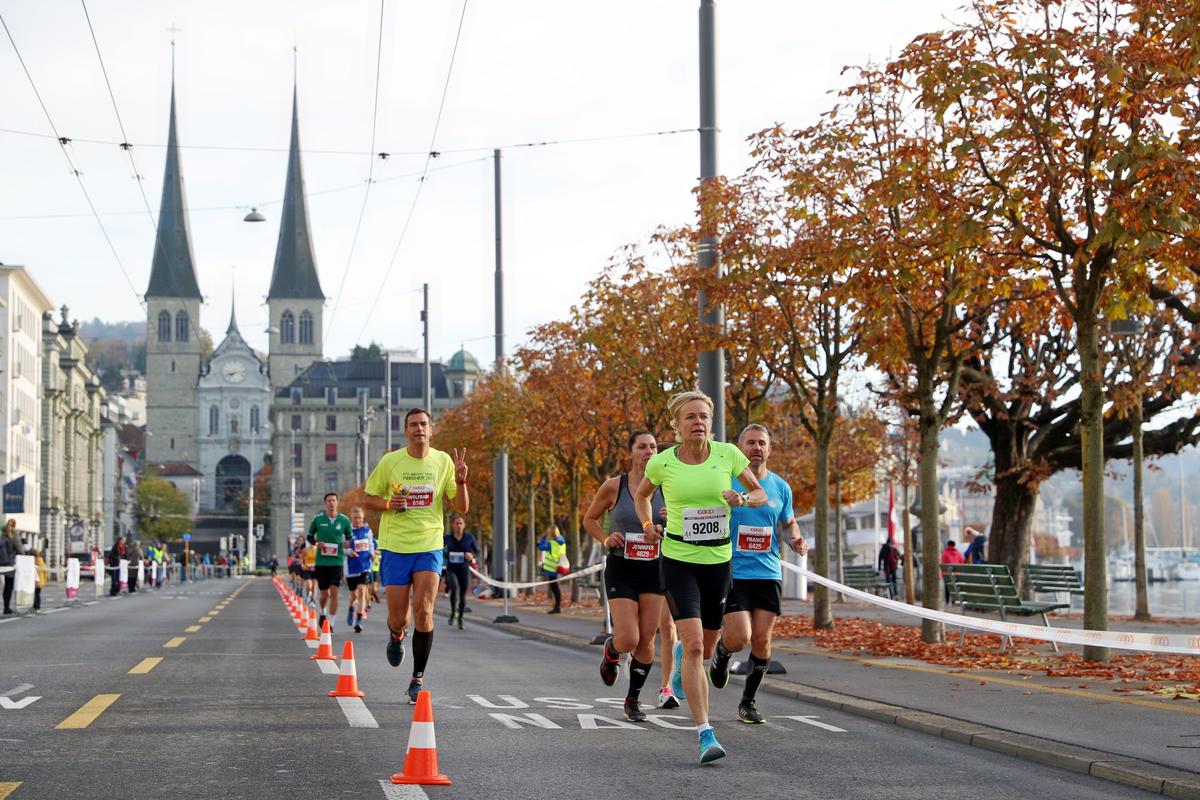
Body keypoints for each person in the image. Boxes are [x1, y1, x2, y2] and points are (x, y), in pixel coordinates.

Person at [634, 390, 766, 764]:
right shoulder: (662, 463)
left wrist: (740, 498)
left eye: (704, 417)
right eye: (691, 417)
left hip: (718, 562)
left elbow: (760, 495)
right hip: (677, 560)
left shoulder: (729, 454)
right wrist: (647, 524)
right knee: (694, 646)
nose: (699, 423)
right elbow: (643, 496)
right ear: (677, 426)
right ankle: (705, 732)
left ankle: (681, 655)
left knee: (707, 649)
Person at [362, 407, 469, 704]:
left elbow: (461, 508)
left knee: (424, 609)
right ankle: (396, 636)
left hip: (429, 544)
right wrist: (388, 504)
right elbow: (368, 498)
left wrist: (461, 482)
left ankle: (417, 677)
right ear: (406, 431)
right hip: (396, 546)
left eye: (424, 424)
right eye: (413, 425)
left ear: (431, 430)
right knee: (399, 617)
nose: (419, 429)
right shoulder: (390, 461)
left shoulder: (443, 461)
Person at [708, 424, 806, 724]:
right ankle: (723, 653)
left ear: (769, 448)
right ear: (740, 448)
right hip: (733, 570)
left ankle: (748, 702)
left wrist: (796, 539)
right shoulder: (725, 482)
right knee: (740, 637)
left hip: (768, 571)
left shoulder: (780, 487)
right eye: (750, 443)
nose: (756, 448)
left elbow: (788, 523)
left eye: (762, 443)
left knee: (762, 641)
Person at [582, 430, 669, 722]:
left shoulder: (668, 488)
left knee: (646, 641)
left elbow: (684, 526)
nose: (649, 452)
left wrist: (670, 522)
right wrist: (606, 539)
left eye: (653, 447)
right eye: (642, 447)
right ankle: (612, 649)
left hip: (654, 568)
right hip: (622, 567)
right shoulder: (613, 486)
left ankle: (632, 699)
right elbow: (589, 519)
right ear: (630, 453)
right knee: (629, 638)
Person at [307, 492, 352, 631]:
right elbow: (309, 536)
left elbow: (349, 537)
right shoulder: (318, 519)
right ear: (325, 503)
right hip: (321, 562)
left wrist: (347, 544)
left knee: (334, 591)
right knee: (324, 594)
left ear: (337, 503)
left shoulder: (344, 520)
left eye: (333, 500)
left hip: (337, 561)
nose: (331, 503)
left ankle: (330, 623)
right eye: (328, 501)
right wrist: (316, 543)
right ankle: (323, 612)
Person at [443, 514, 478, 629]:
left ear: (464, 525)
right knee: (454, 587)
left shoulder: (469, 538)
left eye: (461, 523)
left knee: (462, 595)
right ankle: (453, 612)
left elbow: (477, 551)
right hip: (451, 569)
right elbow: (438, 549)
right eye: (456, 523)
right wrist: (444, 553)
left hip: (464, 569)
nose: (458, 526)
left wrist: (471, 555)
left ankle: (460, 618)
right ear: (452, 525)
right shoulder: (447, 538)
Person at [344, 507, 375, 633]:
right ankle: (351, 608)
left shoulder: (367, 531)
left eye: (360, 518)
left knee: (362, 591)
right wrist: (349, 551)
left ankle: (359, 620)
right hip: (351, 567)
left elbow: (371, 544)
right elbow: (342, 548)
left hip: (365, 566)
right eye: (356, 518)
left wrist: (372, 553)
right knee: (353, 595)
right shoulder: (347, 532)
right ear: (352, 518)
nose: (358, 520)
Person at [537, 526, 567, 613]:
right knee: (555, 587)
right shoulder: (562, 541)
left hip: (552, 568)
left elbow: (541, 547)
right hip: (559, 566)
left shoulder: (551, 543)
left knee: (555, 587)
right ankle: (557, 606)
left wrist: (543, 537)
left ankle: (557, 607)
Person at [0, 520, 22, 614]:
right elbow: (20, 551)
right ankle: (6, 608)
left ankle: (6, 608)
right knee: (8, 587)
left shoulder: (1, 536)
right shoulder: (14, 536)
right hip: (9, 565)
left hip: (0, 563)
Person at [31, 548, 46, 612]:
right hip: (40, 581)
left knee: (34, 594)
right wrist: (44, 580)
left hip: (34, 581)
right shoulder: (41, 561)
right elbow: (45, 572)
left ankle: (35, 606)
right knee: (38, 594)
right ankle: (38, 607)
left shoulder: (32, 561)